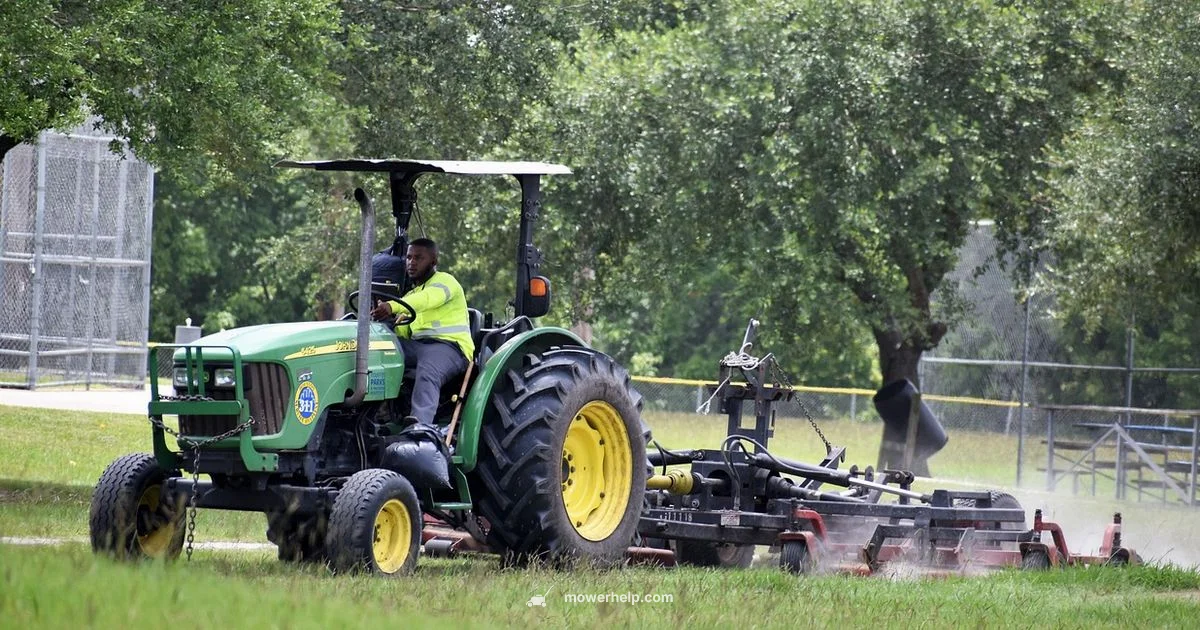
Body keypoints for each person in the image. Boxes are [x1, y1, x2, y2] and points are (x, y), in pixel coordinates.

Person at [371, 237, 474, 489]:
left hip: (450, 347)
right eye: (408, 257)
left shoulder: (445, 283)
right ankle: (376, 416)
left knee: (429, 369)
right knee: (383, 350)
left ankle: (420, 429)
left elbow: (427, 301)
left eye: (418, 258)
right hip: (419, 347)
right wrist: (385, 327)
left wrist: (393, 306)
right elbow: (406, 331)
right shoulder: (412, 294)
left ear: (434, 261)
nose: (411, 263)